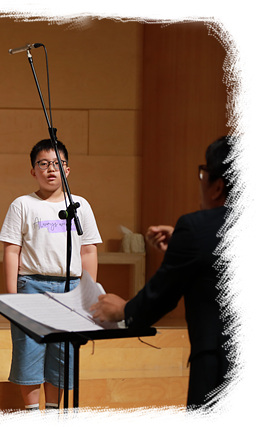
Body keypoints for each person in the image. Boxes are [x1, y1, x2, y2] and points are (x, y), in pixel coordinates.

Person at [90, 136, 234, 410]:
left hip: (221, 371)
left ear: (217, 187)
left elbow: (161, 297)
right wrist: (183, 245)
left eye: (203, 173)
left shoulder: (195, 228)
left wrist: (124, 310)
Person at [0, 139, 101, 410]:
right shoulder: (22, 204)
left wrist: (88, 294)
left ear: (67, 170)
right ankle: (33, 414)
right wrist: (12, 299)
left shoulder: (80, 205)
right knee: (29, 350)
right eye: (43, 164)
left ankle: (54, 412)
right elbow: (11, 251)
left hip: (70, 287)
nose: (51, 169)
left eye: (57, 163)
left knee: (63, 353)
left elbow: (88, 251)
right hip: (31, 285)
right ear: (33, 171)